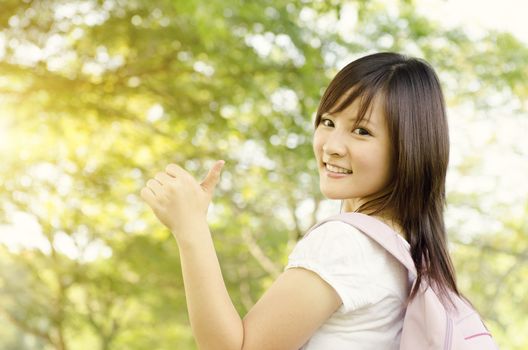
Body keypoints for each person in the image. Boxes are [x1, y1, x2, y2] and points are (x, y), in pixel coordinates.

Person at [140, 52, 460, 350]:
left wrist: (190, 227)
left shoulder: (346, 243)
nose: (332, 145)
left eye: (362, 131)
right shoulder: (408, 251)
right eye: (328, 122)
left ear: (408, 149)